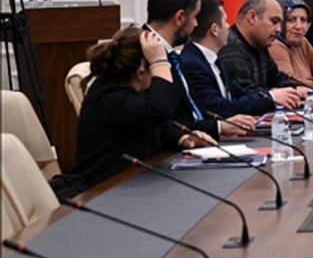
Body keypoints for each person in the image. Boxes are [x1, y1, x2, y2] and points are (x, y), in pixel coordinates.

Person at [74, 27, 216, 188]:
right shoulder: (108, 96)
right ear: (141, 71)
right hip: (103, 190)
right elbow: (159, 111)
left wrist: (182, 139)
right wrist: (160, 63)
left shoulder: (131, 92)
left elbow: (154, 124)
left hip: (134, 183)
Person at [143, 0, 235, 139]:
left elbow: (191, 114)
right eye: (194, 17)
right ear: (179, 17)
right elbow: (159, 122)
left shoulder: (172, 54)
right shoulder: (143, 54)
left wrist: (219, 126)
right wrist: (217, 127)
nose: (196, 24)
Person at [180, 0, 285, 119]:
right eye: (225, 21)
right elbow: (219, 108)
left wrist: (276, 94)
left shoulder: (214, 60)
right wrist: (271, 97)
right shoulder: (193, 63)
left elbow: (239, 92)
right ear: (214, 30)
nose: (228, 26)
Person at [216, 0, 304, 107]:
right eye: (274, 21)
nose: (278, 29)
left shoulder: (259, 43)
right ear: (252, 17)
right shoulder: (230, 47)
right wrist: (273, 95)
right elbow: (242, 95)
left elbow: (277, 78)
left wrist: (297, 89)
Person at [269, 0, 313, 91]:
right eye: (291, 20)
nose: (299, 26)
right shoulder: (275, 44)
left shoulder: (302, 41)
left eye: (303, 20)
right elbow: (288, 83)